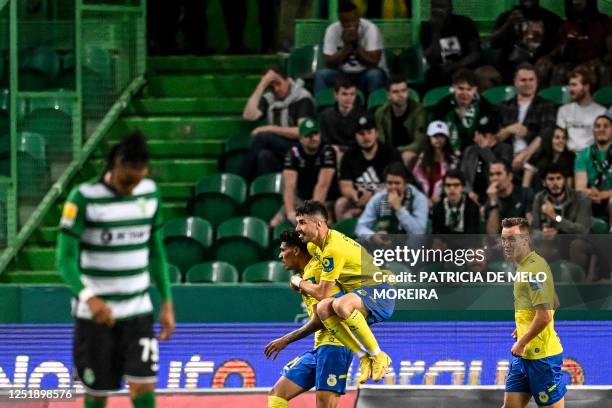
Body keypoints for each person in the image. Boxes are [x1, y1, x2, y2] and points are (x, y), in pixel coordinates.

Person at [56, 132, 175, 408]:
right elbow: (64, 259)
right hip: (95, 317)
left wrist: (167, 301)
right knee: (97, 392)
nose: (130, 188)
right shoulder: (83, 198)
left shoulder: (150, 193)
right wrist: (89, 298)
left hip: (138, 311)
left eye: (137, 180)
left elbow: (156, 252)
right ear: (115, 164)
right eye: (126, 180)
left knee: (143, 385)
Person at [293, 200, 395, 384]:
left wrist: (298, 282)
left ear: (318, 224)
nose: (297, 228)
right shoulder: (313, 246)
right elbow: (320, 281)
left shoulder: (334, 248)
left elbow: (323, 292)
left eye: (302, 222)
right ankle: (363, 357)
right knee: (323, 309)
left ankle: (379, 356)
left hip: (379, 292)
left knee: (339, 304)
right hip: (359, 292)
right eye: (296, 222)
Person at [265, 230, 352, 408]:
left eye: (283, 250)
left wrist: (285, 340)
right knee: (277, 393)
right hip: (321, 347)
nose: (280, 255)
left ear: (296, 251)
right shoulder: (309, 272)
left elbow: (321, 319)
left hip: (335, 347)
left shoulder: (314, 272)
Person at [501, 217, 566, 408]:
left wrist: (522, 341)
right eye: (504, 239)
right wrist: (524, 326)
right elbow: (554, 302)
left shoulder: (534, 269)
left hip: (542, 358)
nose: (506, 244)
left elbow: (545, 315)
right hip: (524, 357)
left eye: (512, 239)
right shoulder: (524, 265)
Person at [240, 66, 315, 181]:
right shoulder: (270, 98)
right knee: (263, 156)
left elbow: (302, 132)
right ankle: (265, 195)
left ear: (287, 80)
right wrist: (262, 84)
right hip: (279, 149)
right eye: (271, 86)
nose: (276, 89)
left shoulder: (302, 97)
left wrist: (271, 128)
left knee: (263, 137)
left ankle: (241, 180)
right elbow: (248, 116)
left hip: (300, 149)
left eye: (278, 83)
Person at [271, 119, 339, 227]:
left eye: (316, 134)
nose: (313, 138)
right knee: (275, 223)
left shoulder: (327, 151)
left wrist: (310, 213)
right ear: (301, 139)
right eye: (308, 135)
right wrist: (290, 213)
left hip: (325, 199)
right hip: (301, 199)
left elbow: (323, 186)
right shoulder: (293, 153)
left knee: (324, 223)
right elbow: (289, 186)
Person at [336, 113, 401, 220]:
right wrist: (355, 195)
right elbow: (345, 186)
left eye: (369, 132)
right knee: (341, 203)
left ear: (376, 133)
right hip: (359, 201)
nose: (366, 137)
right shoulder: (349, 156)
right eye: (361, 134)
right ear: (356, 136)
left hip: (385, 198)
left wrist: (372, 195)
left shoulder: (391, 153)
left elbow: (398, 184)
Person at [314, 0, 387, 95]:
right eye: (346, 22)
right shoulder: (332, 30)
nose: (350, 24)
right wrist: (346, 47)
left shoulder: (370, 29)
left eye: (354, 20)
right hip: (342, 74)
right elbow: (329, 63)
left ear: (358, 18)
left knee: (375, 75)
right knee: (321, 75)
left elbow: (373, 62)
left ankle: (375, 108)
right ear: (340, 21)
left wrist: (356, 45)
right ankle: (323, 108)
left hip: (365, 73)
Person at [497, 64, 557, 173]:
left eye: (531, 80)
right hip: (506, 156)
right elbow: (494, 138)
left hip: (535, 155)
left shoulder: (547, 106)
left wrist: (524, 155)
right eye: (523, 80)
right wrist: (509, 129)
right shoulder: (504, 106)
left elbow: (545, 135)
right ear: (515, 82)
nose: (528, 84)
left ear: (537, 82)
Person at [490, 0, 562, 83]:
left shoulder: (552, 19)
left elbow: (559, 46)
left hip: (537, 65)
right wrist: (508, 24)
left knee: (544, 69)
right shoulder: (507, 16)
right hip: (509, 66)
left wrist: (548, 57)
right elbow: (493, 43)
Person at [356, 162, 428, 242]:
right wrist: (373, 236)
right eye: (390, 183)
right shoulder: (379, 198)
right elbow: (360, 227)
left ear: (406, 184)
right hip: (383, 246)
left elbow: (418, 232)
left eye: (397, 183)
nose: (393, 187)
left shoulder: (418, 199)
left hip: (408, 247)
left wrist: (399, 209)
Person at [545, 0, 612, 86]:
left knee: (603, 70)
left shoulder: (605, 22)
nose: (576, 2)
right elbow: (559, 50)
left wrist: (597, 62)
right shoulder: (566, 24)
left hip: (596, 63)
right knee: (559, 70)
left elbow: (610, 53)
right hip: (573, 63)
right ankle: (553, 98)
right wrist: (547, 58)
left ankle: (604, 98)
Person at [431, 69, 498, 154]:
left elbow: (491, 131)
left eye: (469, 89)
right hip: (448, 151)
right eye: (461, 88)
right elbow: (435, 131)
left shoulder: (484, 105)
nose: (465, 93)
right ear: (454, 87)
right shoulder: (443, 106)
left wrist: (486, 137)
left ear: (475, 90)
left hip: (476, 150)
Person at [419, 0, 482, 88]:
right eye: (434, 6)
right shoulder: (427, 28)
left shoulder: (465, 23)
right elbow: (431, 58)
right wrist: (436, 31)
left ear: (451, 9)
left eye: (442, 7)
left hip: (465, 66)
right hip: (441, 70)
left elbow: (476, 54)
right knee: (431, 76)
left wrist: (456, 65)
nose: (438, 10)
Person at [375, 75, 427, 166]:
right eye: (396, 92)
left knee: (407, 157)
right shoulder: (381, 113)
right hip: (389, 153)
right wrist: (390, 153)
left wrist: (396, 151)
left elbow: (419, 142)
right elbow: (381, 142)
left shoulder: (418, 110)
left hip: (411, 152)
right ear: (388, 95)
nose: (401, 95)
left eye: (404, 90)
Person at [461, 115, 513, 206]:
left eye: (486, 134)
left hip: (496, 196)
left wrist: (484, 149)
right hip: (472, 196)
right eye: (480, 133)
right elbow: (463, 175)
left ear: (495, 135)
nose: (482, 137)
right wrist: (469, 192)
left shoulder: (505, 149)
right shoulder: (470, 151)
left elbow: (498, 170)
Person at [556, 66, 606, 153]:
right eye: (570, 85)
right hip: (568, 157)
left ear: (586, 87)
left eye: (574, 85)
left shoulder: (602, 113)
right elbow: (559, 138)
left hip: (591, 158)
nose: (570, 89)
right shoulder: (563, 110)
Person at [532, 163, 592, 235]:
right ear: (544, 182)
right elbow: (534, 230)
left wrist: (555, 216)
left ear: (564, 181)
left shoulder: (581, 198)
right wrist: (543, 234)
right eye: (551, 179)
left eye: (559, 178)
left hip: (575, 240)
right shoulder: (539, 198)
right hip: (550, 242)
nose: (555, 183)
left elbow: (582, 230)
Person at [413, 120, 460, 206]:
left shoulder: (452, 160)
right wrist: (424, 199)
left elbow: (454, 182)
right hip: (422, 200)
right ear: (429, 138)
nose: (438, 139)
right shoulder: (422, 158)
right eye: (435, 136)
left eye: (441, 136)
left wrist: (441, 197)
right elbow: (415, 180)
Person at [575, 115, 612, 222]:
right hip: (592, 199)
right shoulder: (583, 154)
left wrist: (603, 194)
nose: (601, 129)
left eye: (606, 126)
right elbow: (580, 187)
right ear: (593, 131)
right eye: (598, 126)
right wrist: (591, 192)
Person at [485, 160, 534, 234]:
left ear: (510, 176)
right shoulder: (491, 203)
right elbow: (492, 235)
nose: (494, 178)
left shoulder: (525, 194)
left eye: (498, 174)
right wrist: (494, 204)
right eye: (491, 175)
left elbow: (532, 226)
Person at [319, 76, 367, 151]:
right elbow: (324, 143)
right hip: (333, 154)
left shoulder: (364, 116)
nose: (348, 98)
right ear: (336, 95)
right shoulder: (325, 116)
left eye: (352, 94)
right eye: (344, 94)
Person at [523, 127, 575, 192]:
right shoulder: (537, 156)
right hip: (539, 196)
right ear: (548, 139)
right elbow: (525, 185)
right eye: (557, 138)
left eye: (563, 138)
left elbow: (569, 188)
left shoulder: (570, 157)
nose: (561, 141)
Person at [432, 169, 480, 234]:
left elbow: (473, 235)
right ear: (444, 188)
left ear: (462, 187)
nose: (452, 188)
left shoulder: (472, 207)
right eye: (448, 185)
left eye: (456, 185)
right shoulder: (438, 207)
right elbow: (436, 233)